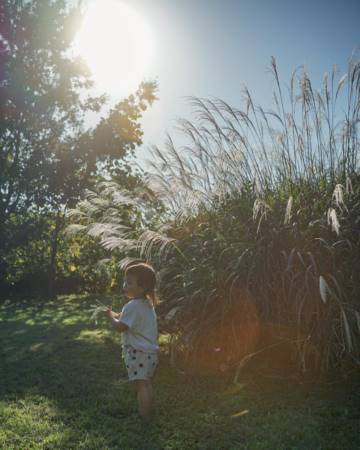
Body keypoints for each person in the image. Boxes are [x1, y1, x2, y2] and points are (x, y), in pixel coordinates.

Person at [102, 262, 159, 421]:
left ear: (143, 286)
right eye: (125, 281)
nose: (125, 285)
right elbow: (125, 316)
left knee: (140, 386)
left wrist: (109, 318)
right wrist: (114, 313)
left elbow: (121, 326)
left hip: (138, 353)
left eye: (129, 282)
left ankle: (144, 414)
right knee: (146, 384)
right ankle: (147, 410)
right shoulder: (146, 303)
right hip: (149, 353)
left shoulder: (133, 306)